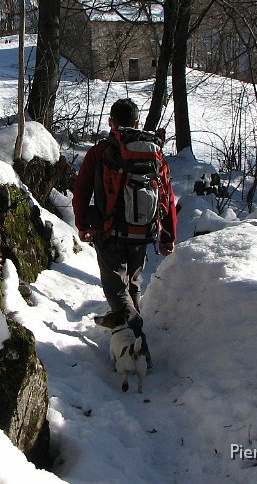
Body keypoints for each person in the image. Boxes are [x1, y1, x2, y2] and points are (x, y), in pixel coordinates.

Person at [72, 98, 177, 341]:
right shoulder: (154, 152)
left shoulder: (100, 152)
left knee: (117, 291)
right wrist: (168, 234)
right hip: (142, 233)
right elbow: (167, 196)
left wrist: (82, 224)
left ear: (111, 122)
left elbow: (81, 191)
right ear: (137, 122)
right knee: (133, 285)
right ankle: (134, 341)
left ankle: (135, 341)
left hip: (109, 233)